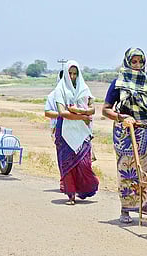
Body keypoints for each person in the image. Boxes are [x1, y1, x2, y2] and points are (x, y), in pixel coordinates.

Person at [102, 47, 147, 225]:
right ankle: (126, 209)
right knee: (128, 173)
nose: (137, 65)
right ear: (128, 62)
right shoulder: (118, 83)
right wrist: (123, 117)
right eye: (134, 61)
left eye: (140, 61)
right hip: (127, 135)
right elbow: (105, 110)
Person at [53, 60, 99, 205]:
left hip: (82, 131)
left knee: (84, 163)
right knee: (67, 163)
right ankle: (71, 194)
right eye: (70, 74)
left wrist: (82, 111)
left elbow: (92, 108)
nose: (72, 77)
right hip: (65, 130)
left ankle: (85, 189)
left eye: (75, 74)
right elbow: (62, 112)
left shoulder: (84, 88)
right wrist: (82, 117)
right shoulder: (60, 89)